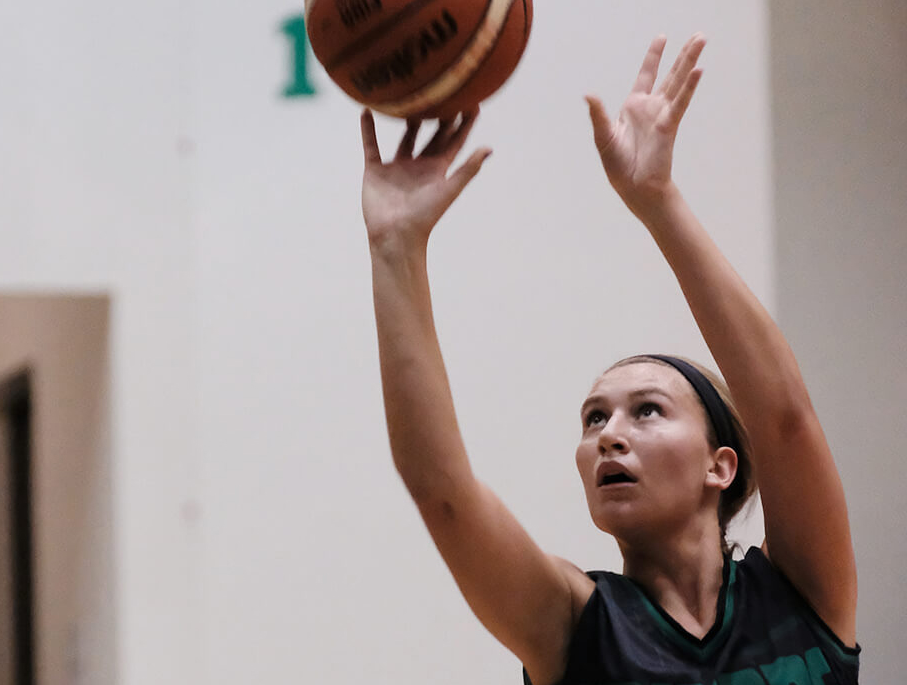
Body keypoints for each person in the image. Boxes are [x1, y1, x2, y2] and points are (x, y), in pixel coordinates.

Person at [359, 34, 860, 684]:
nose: (608, 436)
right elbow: (441, 489)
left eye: (646, 410)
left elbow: (786, 418)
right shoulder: (575, 621)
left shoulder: (801, 590)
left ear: (722, 464)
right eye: (593, 420)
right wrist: (396, 250)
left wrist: (657, 200)